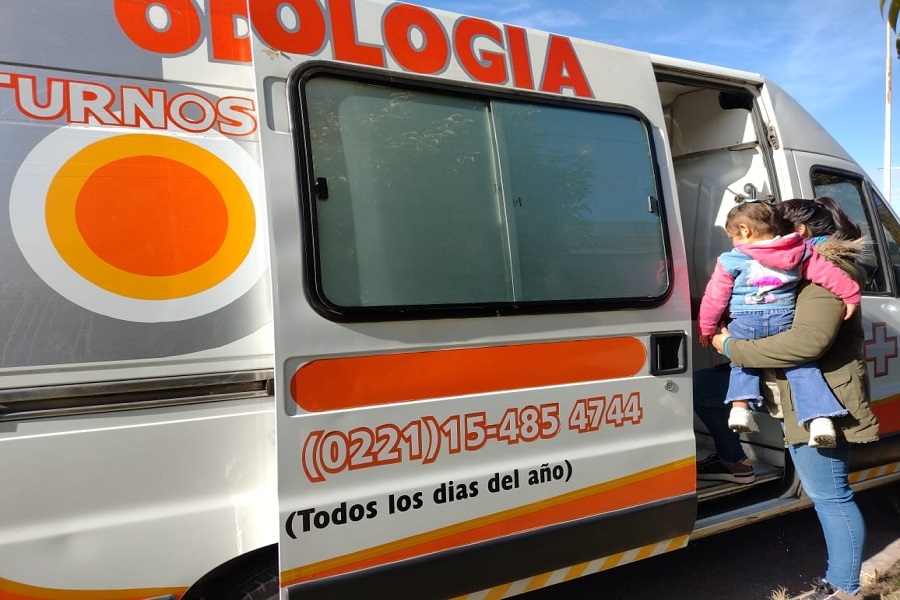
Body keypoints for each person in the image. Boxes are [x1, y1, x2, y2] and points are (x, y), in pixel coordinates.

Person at [711, 196, 879, 600]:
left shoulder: (827, 271)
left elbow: (808, 343)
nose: (770, 240)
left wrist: (731, 347)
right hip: (806, 397)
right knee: (829, 494)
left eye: (777, 231)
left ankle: (842, 588)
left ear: (799, 232)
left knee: (830, 496)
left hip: (825, 399)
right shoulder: (800, 267)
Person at [697, 195, 860, 448]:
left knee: (741, 363)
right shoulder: (800, 251)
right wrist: (850, 294)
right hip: (784, 319)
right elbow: (828, 274)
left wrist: (707, 328)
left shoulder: (731, 259)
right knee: (803, 368)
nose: (732, 241)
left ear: (744, 230)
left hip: (745, 320)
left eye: (732, 235)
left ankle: (739, 410)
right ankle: (820, 421)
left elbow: (715, 298)